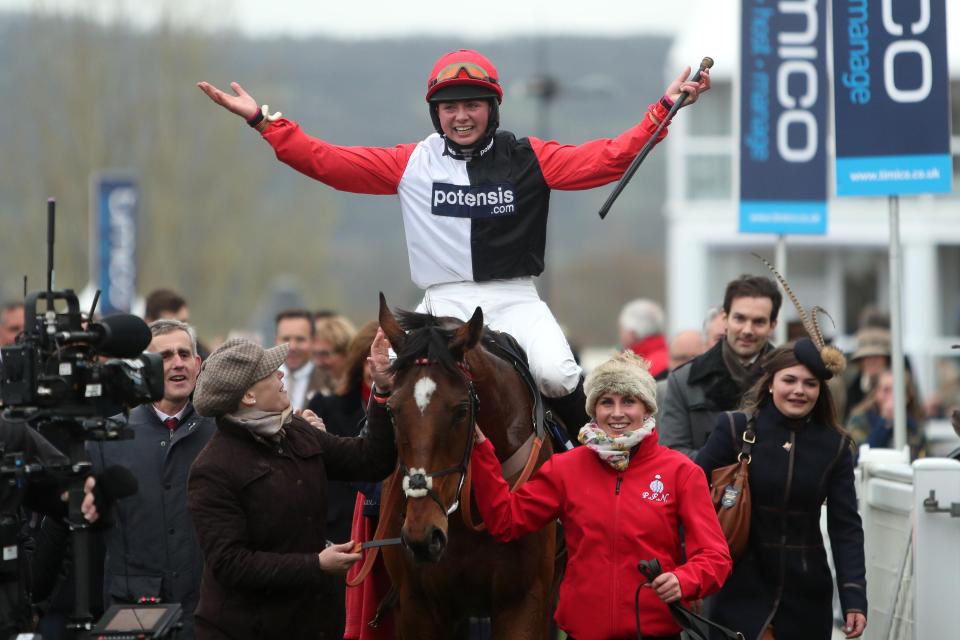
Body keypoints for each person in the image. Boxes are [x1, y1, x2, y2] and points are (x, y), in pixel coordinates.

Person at [197, 48, 710, 438]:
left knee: (556, 374)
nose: (460, 116)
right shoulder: (410, 163)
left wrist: (665, 106)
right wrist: (264, 121)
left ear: (492, 109)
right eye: (448, 108)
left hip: (514, 298)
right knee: (398, 385)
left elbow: (610, 157)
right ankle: (375, 494)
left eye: (471, 105)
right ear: (434, 114)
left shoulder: (531, 156)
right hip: (442, 304)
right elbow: (326, 161)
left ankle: (586, 459)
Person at [469, 351, 731, 640]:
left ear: (647, 408)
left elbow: (715, 557)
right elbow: (505, 520)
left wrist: (685, 580)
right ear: (594, 409)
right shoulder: (565, 467)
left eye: (628, 401)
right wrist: (482, 452)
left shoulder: (681, 471)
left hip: (655, 633)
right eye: (606, 402)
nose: (617, 413)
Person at [187, 334, 397, 640]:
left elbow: (371, 460)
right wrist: (316, 565)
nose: (282, 373)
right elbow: (231, 564)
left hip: (313, 622)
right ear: (247, 397)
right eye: (270, 373)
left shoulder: (295, 430)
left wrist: (382, 390)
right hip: (245, 629)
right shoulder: (212, 469)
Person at [695, 338, 868, 640]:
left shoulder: (835, 446)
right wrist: (690, 574)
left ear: (820, 391)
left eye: (810, 383)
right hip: (739, 586)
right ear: (771, 383)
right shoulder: (734, 429)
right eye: (789, 380)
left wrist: (854, 598)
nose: (799, 390)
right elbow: (691, 500)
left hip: (805, 595)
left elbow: (846, 528)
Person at [87, 319, 216, 640]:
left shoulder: (222, 432)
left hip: (206, 609)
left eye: (185, 355)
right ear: (142, 367)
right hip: (135, 609)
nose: (178, 364)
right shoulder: (107, 437)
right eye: (166, 356)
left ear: (198, 364)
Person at [660, 275, 782, 458]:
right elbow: (672, 453)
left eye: (758, 322)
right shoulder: (684, 381)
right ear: (725, 319)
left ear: (772, 326)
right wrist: (721, 467)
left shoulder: (791, 379)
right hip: (704, 485)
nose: (747, 330)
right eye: (740, 319)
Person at [847, 368, 925, 460]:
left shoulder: (915, 426)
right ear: (876, 393)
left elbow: (921, 458)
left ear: (907, 397)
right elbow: (857, 459)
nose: (891, 396)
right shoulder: (859, 421)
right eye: (885, 390)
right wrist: (884, 422)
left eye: (896, 391)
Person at [275, 309, 327, 411]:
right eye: (286, 339)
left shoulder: (330, 384)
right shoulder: (260, 382)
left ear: (314, 341)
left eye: (300, 339)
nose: (293, 347)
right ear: (276, 341)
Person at [618, 298, 670, 380]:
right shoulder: (671, 357)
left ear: (633, 332)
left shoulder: (639, 369)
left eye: (622, 329)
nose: (620, 334)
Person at [313, 313, 357, 395]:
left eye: (324, 354)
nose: (318, 363)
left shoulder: (363, 391)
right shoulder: (321, 389)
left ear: (346, 352)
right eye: (315, 354)